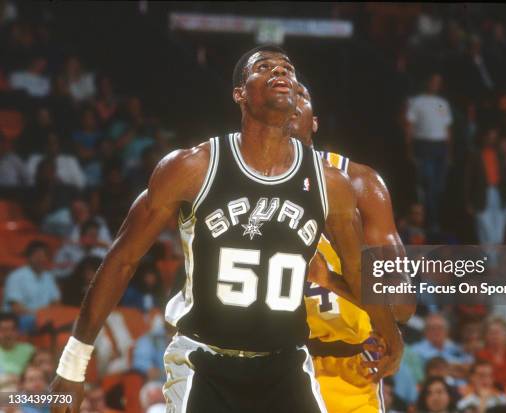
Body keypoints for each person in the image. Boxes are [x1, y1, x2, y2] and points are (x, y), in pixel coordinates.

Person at [50, 45, 402, 413]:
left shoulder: (332, 183)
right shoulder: (192, 168)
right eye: (264, 67)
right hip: (204, 362)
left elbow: (360, 268)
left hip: (286, 363)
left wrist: (389, 332)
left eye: (287, 68)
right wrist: (72, 366)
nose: (280, 72)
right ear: (240, 93)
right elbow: (122, 260)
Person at [291, 81, 414, 413]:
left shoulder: (360, 183)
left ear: (314, 119)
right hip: (266, 361)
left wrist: (334, 278)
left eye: (299, 94)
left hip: (347, 367)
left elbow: (402, 306)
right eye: (279, 93)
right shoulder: (231, 183)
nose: (288, 99)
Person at [403, 72, 453, 232]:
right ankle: (427, 223)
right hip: (424, 145)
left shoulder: (441, 103)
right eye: (433, 81)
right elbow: (409, 127)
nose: (435, 85)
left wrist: (449, 151)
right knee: (428, 185)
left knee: (438, 187)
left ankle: (434, 221)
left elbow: (446, 128)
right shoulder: (416, 101)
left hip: (440, 147)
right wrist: (409, 149)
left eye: (438, 82)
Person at [3, 241, 60, 332]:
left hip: (45, 319)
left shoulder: (48, 277)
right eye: (38, 256)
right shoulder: (16, 276)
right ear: (29, 257)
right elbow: (16, 308)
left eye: (44, 256)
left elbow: (56, 302)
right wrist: (39, 316)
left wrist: (48, 316)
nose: (42, 259)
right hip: (22, 318)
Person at [0, 312, 35, 379]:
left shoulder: (29, 350)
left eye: (12, 329)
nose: (7, 334)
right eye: (3, 330)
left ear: (18, 331)